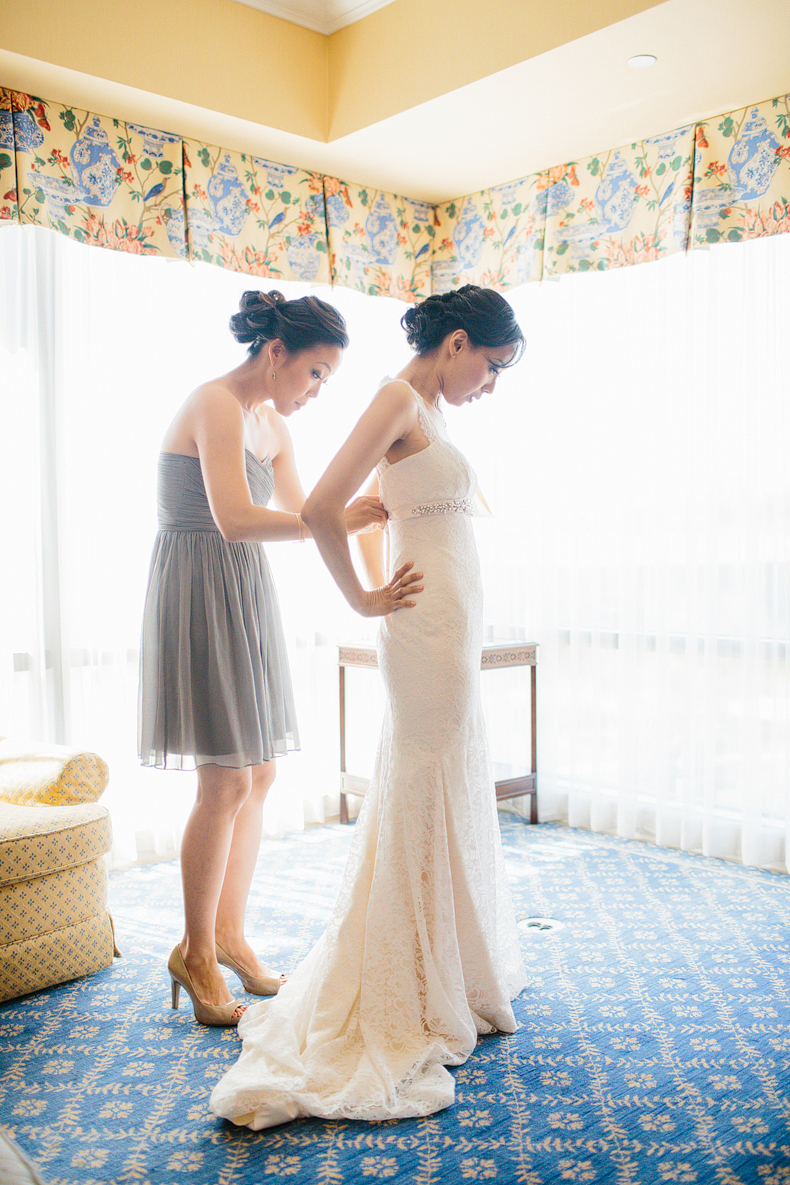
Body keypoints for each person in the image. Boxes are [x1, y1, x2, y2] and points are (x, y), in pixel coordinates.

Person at [210, 284, 527, 1125]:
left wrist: (382, 564)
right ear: (456, 343)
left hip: (447, 618)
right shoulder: (395, 397)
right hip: (422, 627)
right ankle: (407, 974)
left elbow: (391, 511)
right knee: (422, 779)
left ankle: (445, 962)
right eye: (490, 367)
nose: (489, 385)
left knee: (443, 776)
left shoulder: (429, 408)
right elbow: (319, 507)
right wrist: (359, 597)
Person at [137, 290, 387, 1027]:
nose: (316, 392)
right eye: (314, 373)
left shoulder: (271, 425)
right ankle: (197, 953)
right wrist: (326, 521)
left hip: (242, 586)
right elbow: (235, 517)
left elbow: (305, 508)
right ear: (276, 352)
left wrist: (349, 515)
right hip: (198, 580)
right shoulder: (213, 403)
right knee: (226, 779)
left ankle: (229, 936)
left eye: (327, 379)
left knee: (261, 772)